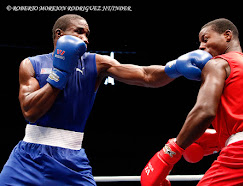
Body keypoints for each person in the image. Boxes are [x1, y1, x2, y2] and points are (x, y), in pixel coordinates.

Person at [0, 14, 212, 185]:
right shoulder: (31, 64)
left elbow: (146, 75)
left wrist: (174, 68)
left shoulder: (96, 63)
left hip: (71, 160)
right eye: (79, 32)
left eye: (88, 34)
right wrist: (58, 75)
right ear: (59, 34)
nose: (86, 39)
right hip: (27, 160)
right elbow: (30, 112)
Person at [141, 18, 243, 186]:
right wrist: (218, 140)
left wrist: (171, 151)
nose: (201, 46)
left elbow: (204, 111)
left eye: (205, 39)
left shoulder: (218, 64)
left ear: (227, 35)